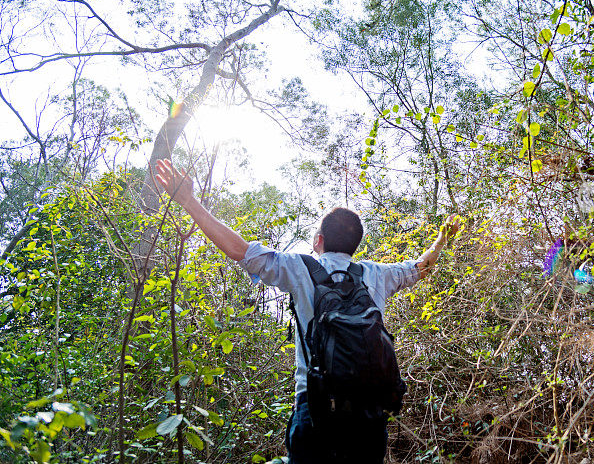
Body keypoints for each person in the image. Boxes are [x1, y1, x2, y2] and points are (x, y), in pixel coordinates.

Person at [154, 158, 460, 463]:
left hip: (315, 409)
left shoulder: (299, 267)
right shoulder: (376, 274)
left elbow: (239, 250)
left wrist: (188, 200)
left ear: (319, 240)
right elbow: (420, 268)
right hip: (369, 415)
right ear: (355, 244)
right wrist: (442, 239)